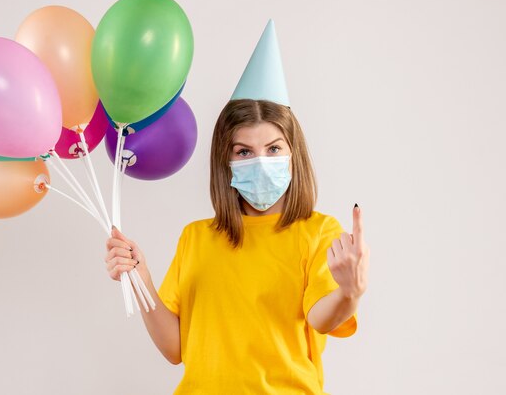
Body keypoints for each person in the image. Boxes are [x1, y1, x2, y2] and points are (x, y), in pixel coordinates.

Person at [104, 21, 370, 395]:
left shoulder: (318, 232)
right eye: (244, 151)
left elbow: (321, 319)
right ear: (224, 160)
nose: (260, 160)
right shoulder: (196, 238)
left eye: (274, 148)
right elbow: (174, 349)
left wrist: (349, 292)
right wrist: (141, 278)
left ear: (294, 155)